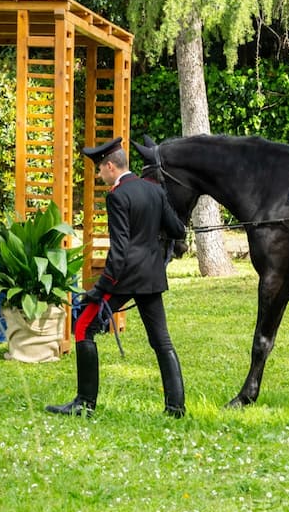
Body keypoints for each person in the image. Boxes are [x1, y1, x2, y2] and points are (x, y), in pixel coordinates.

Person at [46, 137, 188, 418]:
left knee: (84, 325)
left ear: (110, 166)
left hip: (125, 278)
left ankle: (84, 404)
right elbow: (178, 229)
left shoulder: (118, 196)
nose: (99, 175)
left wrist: (100, 289)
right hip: (151, 278)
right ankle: (175, 408)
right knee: (162, 341)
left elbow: (120, 252)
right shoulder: (154, 191)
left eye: (99, 169)